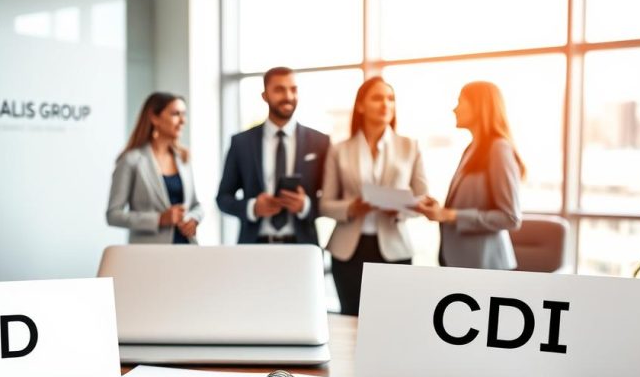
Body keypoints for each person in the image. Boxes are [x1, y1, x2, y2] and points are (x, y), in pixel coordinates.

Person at [320, 76, 428, 316]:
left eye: (390, 99)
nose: (385, 104)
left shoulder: (410, 146)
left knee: (393, 319)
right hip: (348, 251)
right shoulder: (339, 150)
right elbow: (325, 204)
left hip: (394, 248)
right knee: (351, 319)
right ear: (360, 105)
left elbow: (424, 200)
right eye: (377, 98)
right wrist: (351, 208)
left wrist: (400, 208)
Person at [413, 81, 525, 269]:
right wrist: (441, 210)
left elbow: (510, 218)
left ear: (479, 106)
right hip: (464, 263)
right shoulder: (473, 149)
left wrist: (450, 215)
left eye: (460, 102)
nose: (454, 109)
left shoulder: (498, 148)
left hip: (485, 267)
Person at [217, 67, 330, 245]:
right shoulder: (241, 143)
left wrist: (305, 205)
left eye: (293, 89)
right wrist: (253, 207)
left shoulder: (320, 142)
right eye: (279, 89)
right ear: (265, 95)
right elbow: (223, 198)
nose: (288, 96)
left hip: (302, 246)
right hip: (255, 245)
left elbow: (330, 199)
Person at [106, 92, 203, 244]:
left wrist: (193, 219)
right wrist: (158, 219)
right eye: (175, 114)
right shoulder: (131, 161)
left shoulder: (183, 158)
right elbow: (113, 215)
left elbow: (196, 206)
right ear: (154, 117)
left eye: (184, 114)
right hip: (149, 254)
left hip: (186, 248)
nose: (183, 120)